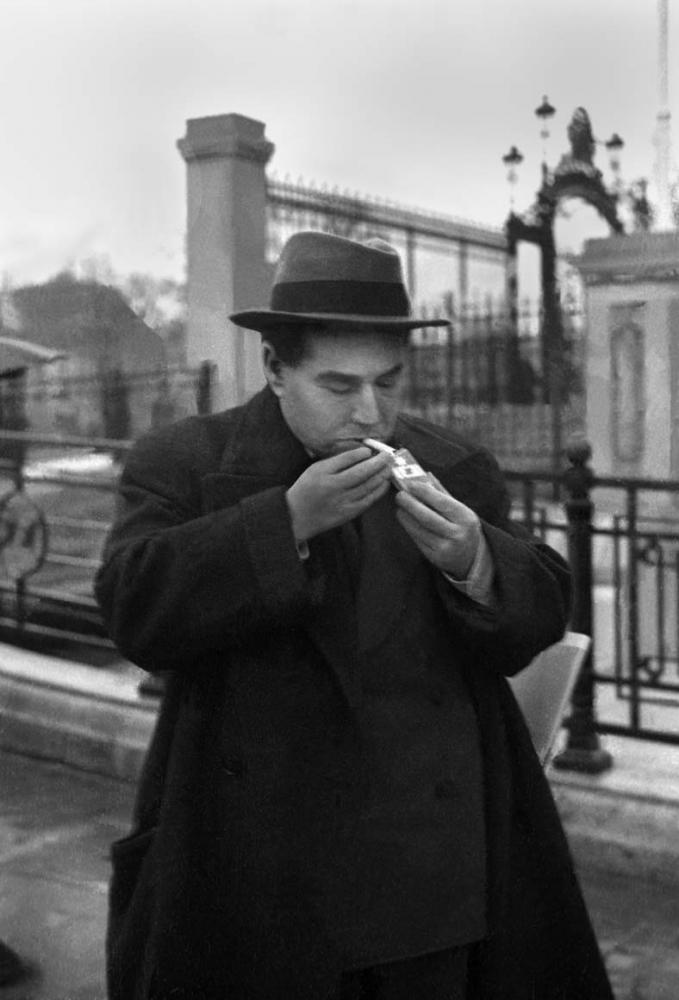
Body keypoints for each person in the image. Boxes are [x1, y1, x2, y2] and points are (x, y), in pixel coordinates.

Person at [95, 232, 613, 1000]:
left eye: (390, 383)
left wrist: (474, 559)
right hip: (259, 879)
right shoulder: (186, 465)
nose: (370, 412)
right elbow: (134, 612)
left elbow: (534, 622)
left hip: (431, 876)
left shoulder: (458, 468)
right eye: (339, 387)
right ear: (274, 368)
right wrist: (286, 523)